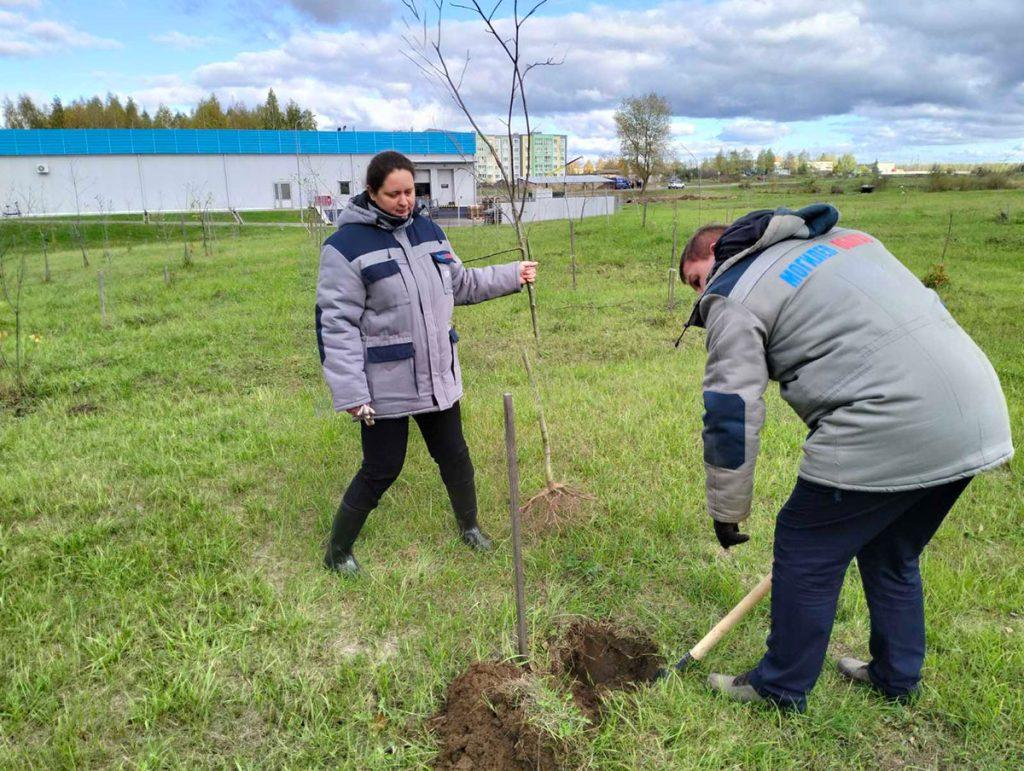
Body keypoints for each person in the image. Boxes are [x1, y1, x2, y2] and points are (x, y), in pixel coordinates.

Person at [677, 204, 1013, 711]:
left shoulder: (735, 294)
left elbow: (731, 410)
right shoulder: (849, 239)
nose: (701, 296)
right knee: (891, 550)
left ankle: (779, 687)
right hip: (977, 410)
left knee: (806, 547)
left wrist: (727, 510)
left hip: (889, 418)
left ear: (716, 254)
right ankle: (896, 677)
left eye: (696, 280)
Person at [316, 150, 538, 575]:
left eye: (409, 192)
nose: (404, 201)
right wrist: (351, 393)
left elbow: (462, 284)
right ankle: (337, 552)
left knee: (454, 454)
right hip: (385, 383)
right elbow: (336, 324)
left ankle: (469, 527)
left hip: (437, 375)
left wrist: (514, 274)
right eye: (393, 194)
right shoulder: (343, 248)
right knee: (381, 468)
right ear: (371, 193)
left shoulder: (429, 231)